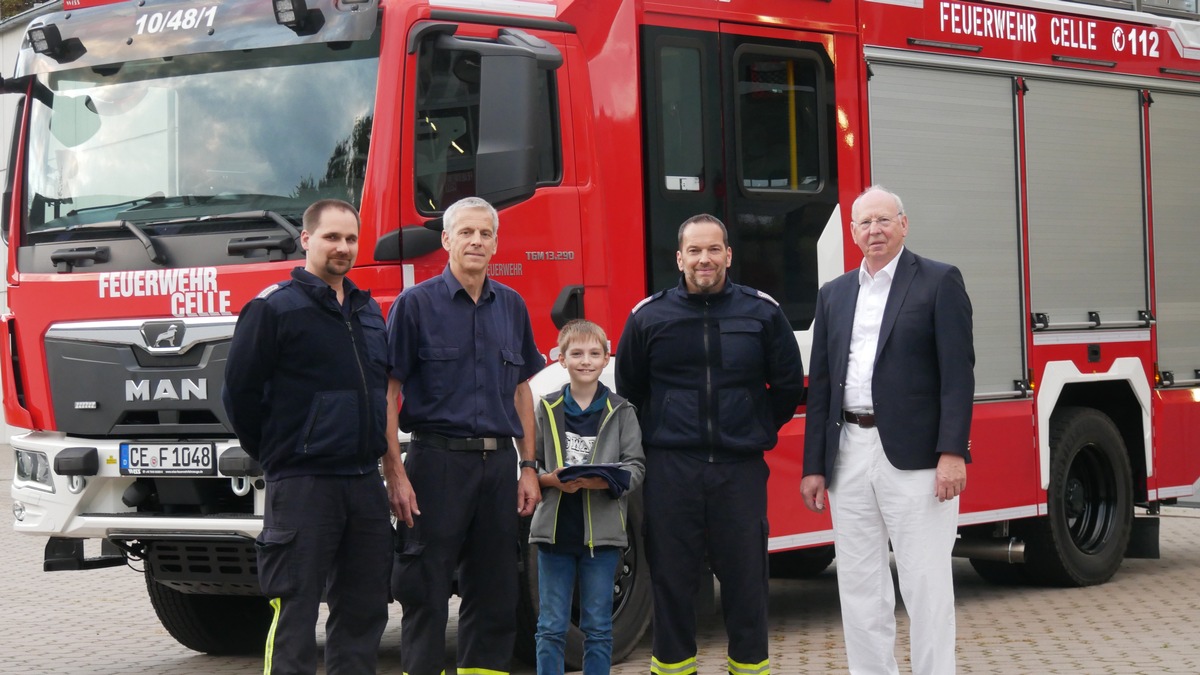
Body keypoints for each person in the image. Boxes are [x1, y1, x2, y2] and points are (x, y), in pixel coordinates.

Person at [615, 214, 805, 675]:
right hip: (670, 470)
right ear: (679, 258)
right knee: (671, 583)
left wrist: (749, 424)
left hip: (738, 471)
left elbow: (787, 387)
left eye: (714, 250)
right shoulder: (648, 316)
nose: (705, 260)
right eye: (695, 251)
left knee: (746, 585)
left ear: (728, 255)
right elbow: (631, 392)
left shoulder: (762, 312)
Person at [801, 185, 974, 675]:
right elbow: (822, 389)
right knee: (858, 585)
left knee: (926, 583)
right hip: (848, 454)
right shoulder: (833, 295)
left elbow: (958, 374)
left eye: (883, 220)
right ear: (851, 233)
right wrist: (814, 466)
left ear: (904, 224)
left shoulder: (940, 282)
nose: (873, 230)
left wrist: (952, 452)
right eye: (864, 223)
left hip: (917, 458)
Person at [221, 199, 393, 674]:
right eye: (332, 237)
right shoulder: (274, 308)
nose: (342, 247)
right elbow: (238, 394)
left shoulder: (368, 312)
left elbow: (380, 393)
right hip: (302, 485)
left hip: (363, 483)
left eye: (351, 239)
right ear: (306, 240)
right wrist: (278, 454)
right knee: (295, 611)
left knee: (364, 611)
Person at [383, 196, 545, 675]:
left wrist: (529, 467)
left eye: (486, 234)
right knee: (425, 590)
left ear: (497, 244)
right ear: (447, 240)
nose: (477, 241)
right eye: (467, 233)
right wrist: (395, 471)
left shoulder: (511, 306)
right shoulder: (415, 305)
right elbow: (388, 395)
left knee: (494, 591)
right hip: (435, 466)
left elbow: (522, 394)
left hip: (497, 469)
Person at [529, 319, 646, 675]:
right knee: (550, 627)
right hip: (554, 535)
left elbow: (636, 469)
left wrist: (598, 482)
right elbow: (528, 466)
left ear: (607, 358)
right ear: (560, 359)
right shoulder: (545, 408)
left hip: (604, 538)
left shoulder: (623, 412)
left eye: (594, 353)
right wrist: (549, 479)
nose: (585, 360)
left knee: (598, 628)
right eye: (576, 353)